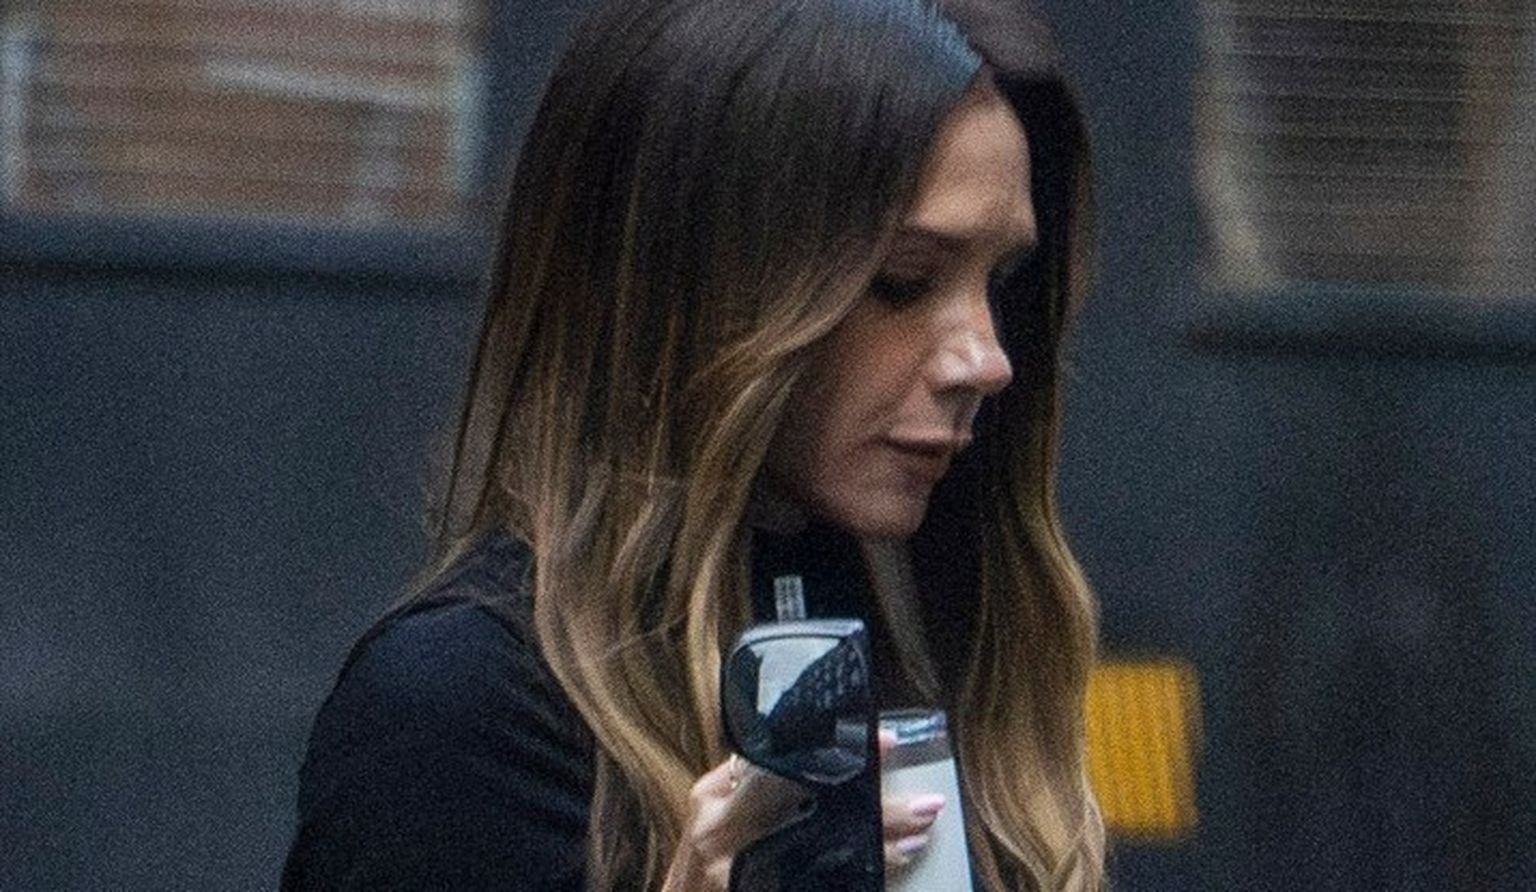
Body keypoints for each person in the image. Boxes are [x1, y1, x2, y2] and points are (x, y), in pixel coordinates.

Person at [281, 0, 1102, 888]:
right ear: (701, 286)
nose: (986, 359)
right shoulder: (458, 717)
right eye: (902, 281)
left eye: (1000, 283)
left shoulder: (944, 651)